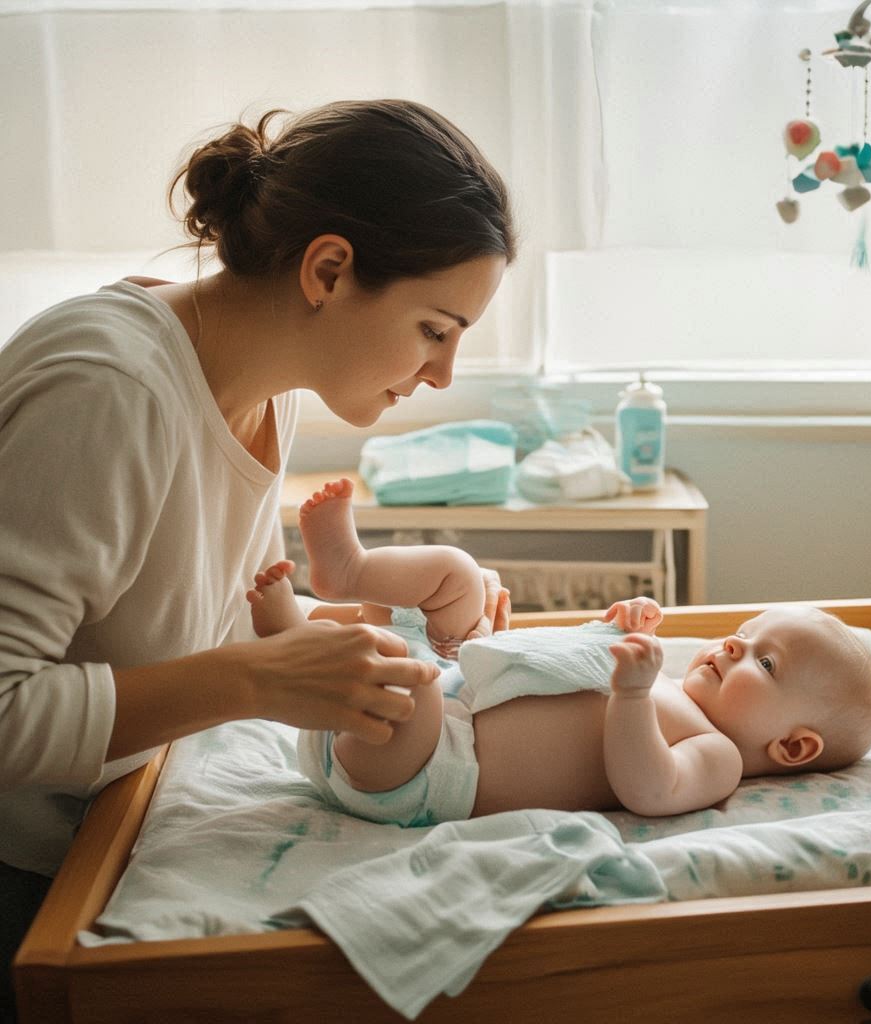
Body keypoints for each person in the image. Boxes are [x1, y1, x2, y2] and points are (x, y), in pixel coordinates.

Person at [0, 99, 515, 1020]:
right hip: (28, 881)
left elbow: (223, 624)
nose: (442, 374)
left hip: (118, 832)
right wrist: (254, 680)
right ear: (328, 269)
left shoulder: (264, 390)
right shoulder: (110, 391)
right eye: (436, 329)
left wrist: (408, 632)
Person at [248, 478, 871, 825]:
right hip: (451, 696)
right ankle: (349, 571)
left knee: (397, 666)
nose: (732, 644)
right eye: (744, 633)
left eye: (765, 662)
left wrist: (634, 694)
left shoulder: (718, 757)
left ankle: (296, 647)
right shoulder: (664, 675)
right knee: (458, 575)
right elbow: (555, 673)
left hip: (424, 771)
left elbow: (648, 788)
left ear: (794, 746)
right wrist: (605, 631)